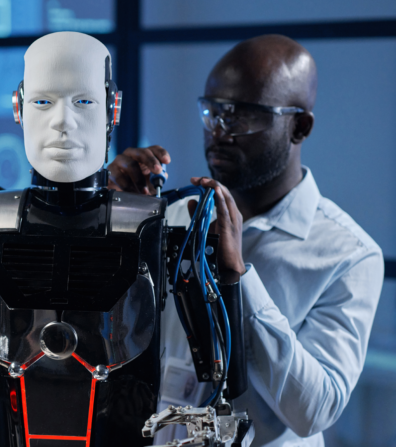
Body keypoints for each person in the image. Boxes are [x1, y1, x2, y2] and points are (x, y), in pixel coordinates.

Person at [108, 35, 383, 447]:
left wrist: (238, 279)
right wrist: (120, 222)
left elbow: (314, 411)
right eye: (214, 111)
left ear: (300, 127)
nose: (220, 131)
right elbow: (112, 347)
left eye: (243, 116)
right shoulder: (179, 217)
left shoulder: (349, 254)